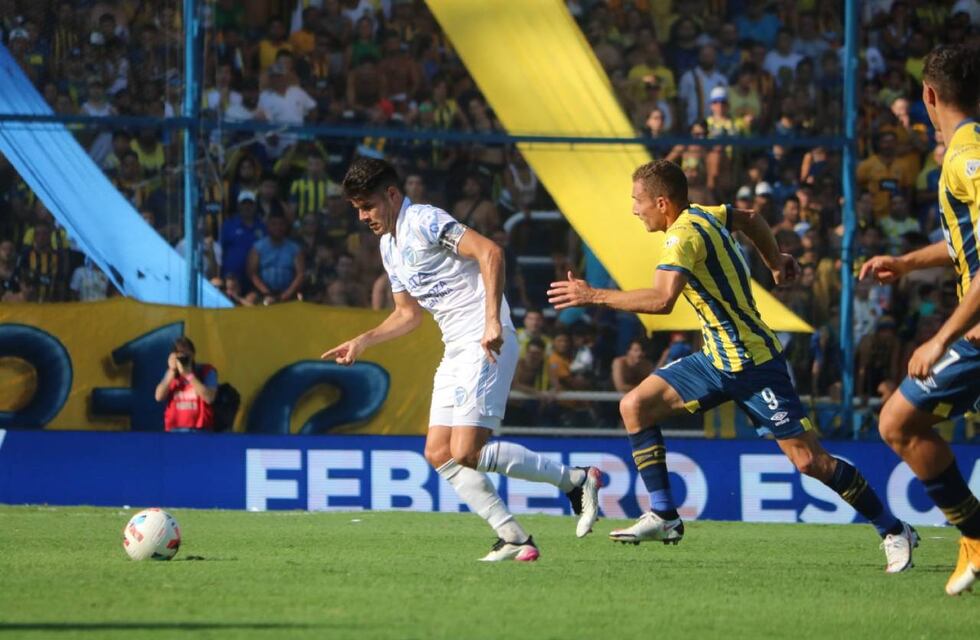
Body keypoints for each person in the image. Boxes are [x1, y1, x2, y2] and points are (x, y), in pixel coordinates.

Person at [547, 159, 916, 573]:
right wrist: (775, 261)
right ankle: (665, 515)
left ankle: (894, 529)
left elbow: (661, 300)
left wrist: (593, 295)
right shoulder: (704, 212)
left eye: (638, 201)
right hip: (715, 360)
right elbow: (752, 218)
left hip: (755, 364)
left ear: (663, 202)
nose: (635, 210)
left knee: (811, 462)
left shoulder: (682, 237)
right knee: (635, 406)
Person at [322, 157, 601, 562]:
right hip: (456, 347)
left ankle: (576, 481)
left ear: (392, 195)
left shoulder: (424, 220)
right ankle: (514, 538)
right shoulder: (389, 246)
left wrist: (492, 321)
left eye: (368, 206)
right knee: (439, 452)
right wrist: (363, 341)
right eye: (357, 209)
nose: (363, 216)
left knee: (466, 450)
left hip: (486, 339)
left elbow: (491, 253)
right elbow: (407, 314)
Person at [860, 43, 980, 596]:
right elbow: (967, 245)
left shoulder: (965, 156)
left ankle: (977, 537)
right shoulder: (962, 151)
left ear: (928, 96)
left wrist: (942, 336)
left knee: (897, 423)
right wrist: (908, 262)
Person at [154, 336, 218, 433]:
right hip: (174, 431)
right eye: (180, 356)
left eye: (186, 355)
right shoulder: (171, 374)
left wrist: (188, 375)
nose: (183, 359)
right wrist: (172, 370)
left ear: (192, 355)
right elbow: (158, 397)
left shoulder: (205, 371)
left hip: (200, 431)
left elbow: (209, 398)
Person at [247, 212, 305, 304]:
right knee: (249, 301)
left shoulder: (295, 248)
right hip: (263, 292)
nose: (278, 227)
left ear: (286, 226)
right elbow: (252, 273)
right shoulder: (257, 248)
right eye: (274, 224)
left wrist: (288, 293)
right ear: (268, 226)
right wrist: (266, 292)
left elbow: (300, 274)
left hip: (289, 292)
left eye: (281, 224)